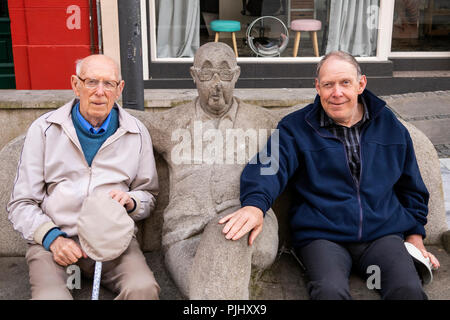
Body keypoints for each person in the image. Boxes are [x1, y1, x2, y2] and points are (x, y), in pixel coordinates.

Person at [220, 51, 440, 300]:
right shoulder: (296, 127)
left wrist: (414, 237)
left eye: (345, 83)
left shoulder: (389, 125)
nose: (337, 92)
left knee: (408, 290)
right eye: (328, 85)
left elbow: (411, 186)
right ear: (317, 87)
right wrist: (254, 206)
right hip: (323, 237)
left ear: (361, 84)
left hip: (382, 236)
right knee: (329, 291)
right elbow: (269, 166)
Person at [7, 54, 160, 300]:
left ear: (119, 89)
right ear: (75, 85)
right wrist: (51, 238)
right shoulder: (45, 129)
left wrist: (131, 201)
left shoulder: (135, 132)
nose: (100, 92)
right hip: (55, 244)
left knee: (143, 288)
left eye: (108, 84)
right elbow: (21, 203)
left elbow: (149, 196)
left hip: (113, 244)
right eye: (91, 82)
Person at [143, 42, 279, 299]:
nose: (216, 83)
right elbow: (123, 117)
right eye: (206, 73)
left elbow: (312, 115)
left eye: (225, 73)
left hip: (250, 226)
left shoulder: (263, 121)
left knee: (225, 236)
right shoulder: (171, 123)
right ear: (194, 76)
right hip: (185, 238)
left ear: (236, 75)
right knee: (207, 282)